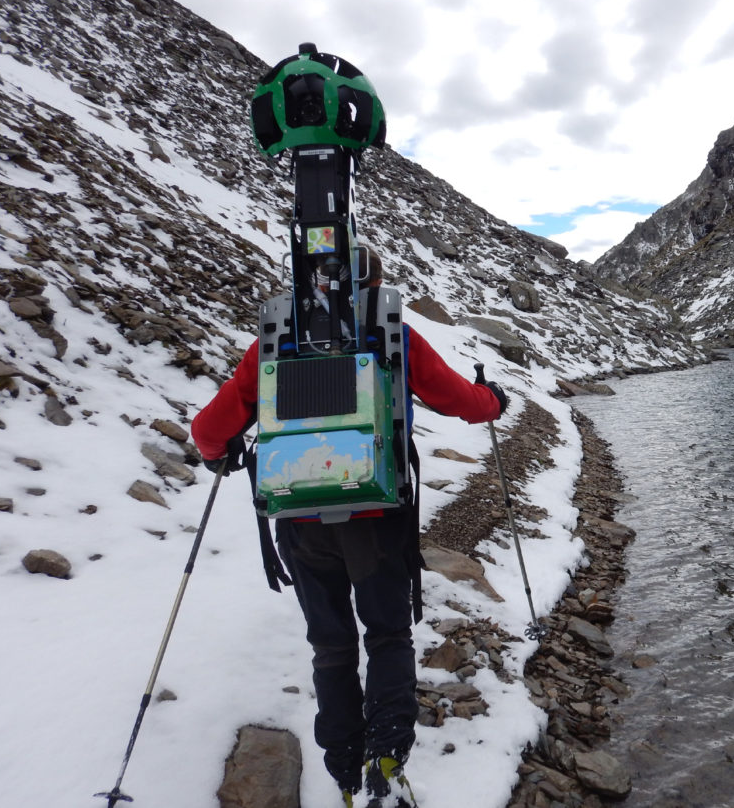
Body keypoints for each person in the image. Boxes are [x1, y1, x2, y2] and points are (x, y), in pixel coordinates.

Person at [192, 248, 508, 807]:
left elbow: (209, 428)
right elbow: (461, 401)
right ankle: (385, 761)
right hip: (377, 515)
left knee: (330, 643)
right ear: (376, 281)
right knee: (387, 635)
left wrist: (219, 453)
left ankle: (342, 773)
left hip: (299, 516)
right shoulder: (390, 334)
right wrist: (493, 401)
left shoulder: (275, 342)